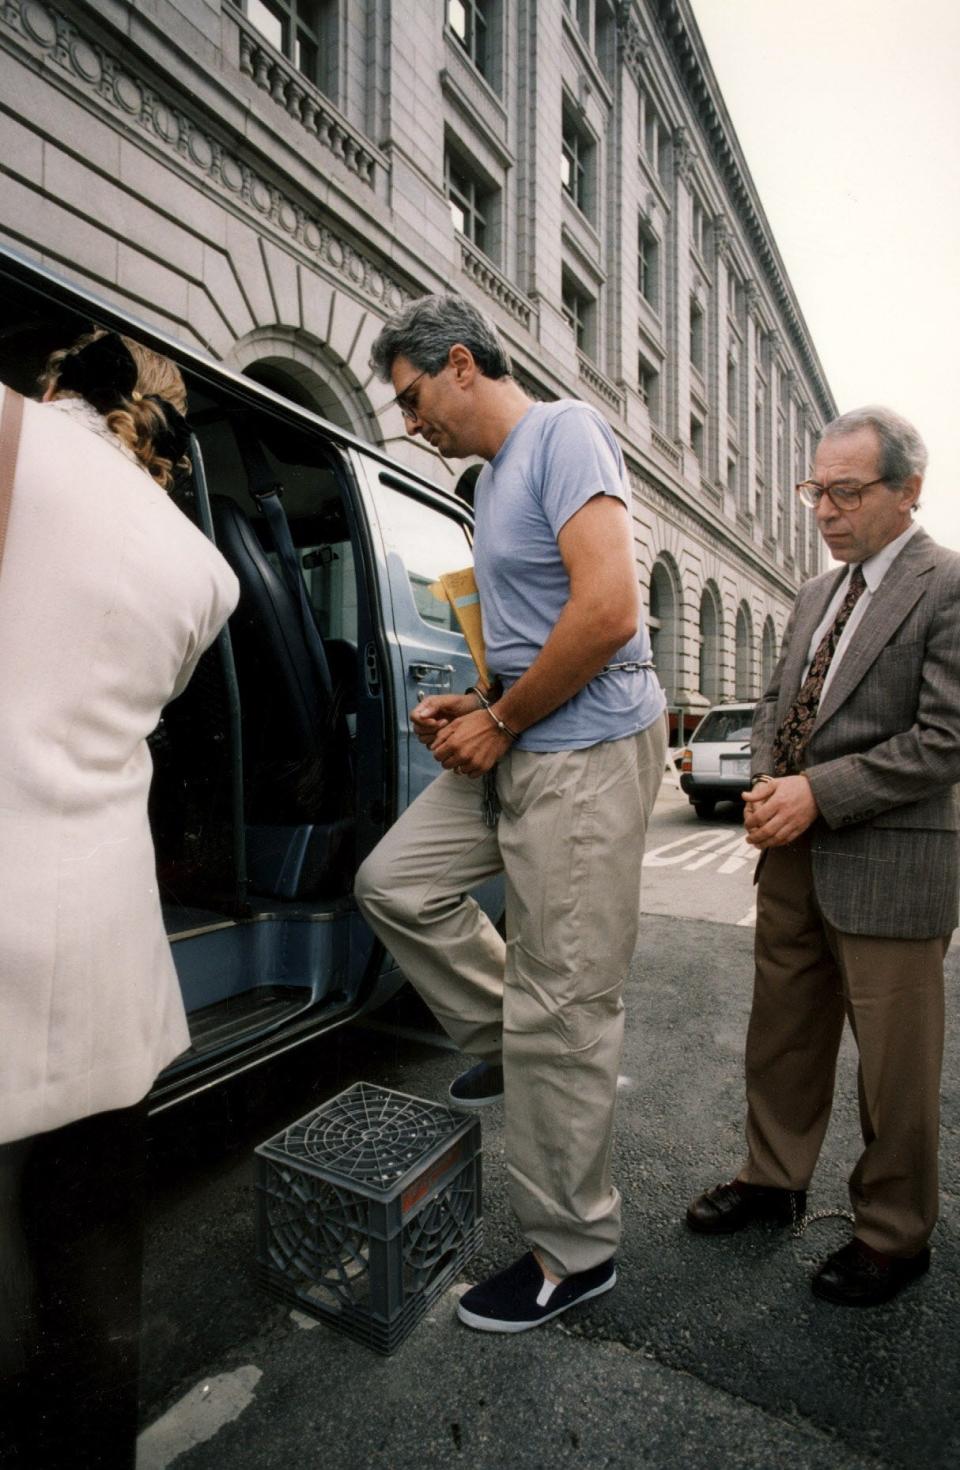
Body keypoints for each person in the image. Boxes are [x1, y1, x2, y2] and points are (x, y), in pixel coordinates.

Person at [355, 294, 666, 1333]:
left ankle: (575, 1255)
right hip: (520, 732)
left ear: (458, 364)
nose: (409, 423)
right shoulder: (486, 488)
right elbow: (531, 628)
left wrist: (500, 713)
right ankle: (511, 1038)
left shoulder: (565, 432)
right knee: (394, 884)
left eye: (410, 399)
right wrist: (475, 698)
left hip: (580, 747)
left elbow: (611, 609)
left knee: (565, 1005)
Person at [0, 329, 238, 1466]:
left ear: (61, 383)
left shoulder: (13, 438)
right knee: (91, 1243)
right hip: (101, 938)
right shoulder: (209, 571)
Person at [687, 406, 960, 1307]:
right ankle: (774, 1179)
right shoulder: (816, 592)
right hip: (794, 855)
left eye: (846, 492)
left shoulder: (946, 584)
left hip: (890, 863)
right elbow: (775, 703)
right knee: (783, 1036)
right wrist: (768, 781)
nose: (824, 510)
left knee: (895, 1068)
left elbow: (945, 740)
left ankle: (892, 1233)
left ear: (906, 491)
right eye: (817, 490)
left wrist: (820, 793)